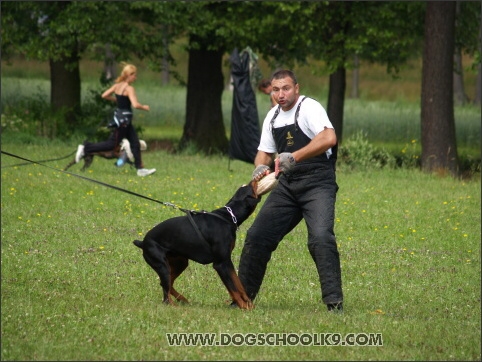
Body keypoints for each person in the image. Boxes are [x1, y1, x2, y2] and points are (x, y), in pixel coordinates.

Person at [236, 69, 343, 312]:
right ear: (270, 91)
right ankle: (242, 299)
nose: (280, 94)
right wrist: (260, 168)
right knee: (257, 237)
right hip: (286, 186)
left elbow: (329, 138)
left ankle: (334, 303)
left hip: (317, 183)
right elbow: (264, 152)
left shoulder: (309, 108)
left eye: (285, 88)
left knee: (320, 238)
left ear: (296, 87)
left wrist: (293, 157)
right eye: (275, 90)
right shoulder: (273, 116)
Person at [75, 63, 156, 177]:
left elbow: (104, 95)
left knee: (135, 143)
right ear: (129, 75)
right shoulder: (129, 88)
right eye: (134, 75)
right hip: (123, 122)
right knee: (112, 144)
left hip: (122, 120)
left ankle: (140, 169)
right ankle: (85, 147)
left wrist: (118, 101)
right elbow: (135, 104)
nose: (135, 78)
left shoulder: (117, 86)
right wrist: (144, 107)